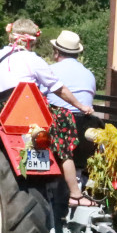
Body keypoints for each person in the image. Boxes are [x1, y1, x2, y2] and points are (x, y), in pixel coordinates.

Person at [0, 19, 96, 207]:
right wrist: (80, 106)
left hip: (0, 113)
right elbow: (59, 89)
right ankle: (74, 193)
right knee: (63, 122)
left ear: (11, 36)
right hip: (24, 111)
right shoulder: (33, 60)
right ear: (32, 41)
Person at [47, 30, 100, 169]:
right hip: (85, 129)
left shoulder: (49, 71)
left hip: (60, 127)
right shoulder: (89, 75)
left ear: (57, 52)